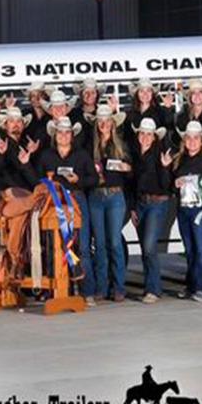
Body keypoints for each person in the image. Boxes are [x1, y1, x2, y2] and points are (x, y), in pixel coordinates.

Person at [37, 117, 99, 303]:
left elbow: (94, 179)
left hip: (76, 198)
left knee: (83, 245)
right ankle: (53, 289)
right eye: (60, 132)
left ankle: (87, 291)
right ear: (55, 135)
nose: (63, 135)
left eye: (67, 132)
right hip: (54, 202)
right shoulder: (46, 156)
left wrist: (78, 180)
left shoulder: (82, 155)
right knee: (52, 245)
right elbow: (37, 178)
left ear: (72, 135)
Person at [87, 104, 132, 302]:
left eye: (107, 121)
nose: (104, 124)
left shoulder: (121, 145)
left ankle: (119, 286)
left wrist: (125, 167)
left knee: (114, 242)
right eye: (101, 121)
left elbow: (132, 172)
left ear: (113, 124)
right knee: (101, 243)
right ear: (97, 124)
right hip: (96, 195)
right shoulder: (90, 147)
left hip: (115, 195)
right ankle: (101, 286)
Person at [171, 121, 202, 302]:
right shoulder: (179, 159)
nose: (192, 141)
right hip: (184, 208)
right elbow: (172, 184)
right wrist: (175, 184)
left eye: (196, 138)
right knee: (190, 249)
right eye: (189, 138)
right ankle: (192, 285)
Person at [130, 118, 172, 304]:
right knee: (145, 247)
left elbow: (166, 185)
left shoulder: (160, 155)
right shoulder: (134, 155)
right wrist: (132, 207)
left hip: (157, 202)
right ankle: (152, 286)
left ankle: (153, 289)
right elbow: (131, 184)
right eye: (142, 133)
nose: (145, 137)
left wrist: (165, 168)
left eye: (149, 134)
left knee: (149, 246)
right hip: (140, 203)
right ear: (138, 135)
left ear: (154, 137)